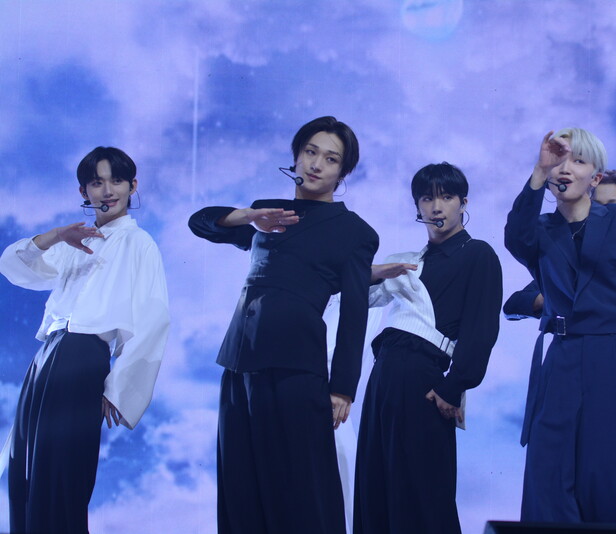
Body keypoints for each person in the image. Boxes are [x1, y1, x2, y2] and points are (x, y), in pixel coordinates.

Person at [188, 116, 378, 534]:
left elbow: (355, 313)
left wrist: (343, 387)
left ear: (343, 172)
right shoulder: (268, 214)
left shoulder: (355, 232)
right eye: (310, 152)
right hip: (239, 362)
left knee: (299, 490)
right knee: (241, 486)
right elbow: (200, 222)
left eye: (331, 159)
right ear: (296, 156)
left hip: (296, 368)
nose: (316, 164)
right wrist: (249, 217)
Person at [505, 129, 616, 524]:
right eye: (559, 162)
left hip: (614, 353)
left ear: (595, 178)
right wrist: (539, 170)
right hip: (563, 355)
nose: (565, 169)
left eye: (578, 162)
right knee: (551, 464)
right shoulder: (541, 229)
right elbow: (515, 237)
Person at [0, 146, 170, 534]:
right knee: (25, 464)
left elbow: (153, 318)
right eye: (97, 183)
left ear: (133, 186)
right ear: (83, 191)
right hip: (47, 356)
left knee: (61, 472)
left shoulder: (139, 243)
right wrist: (57, 235)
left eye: (116, 181)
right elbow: (12, 266)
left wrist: (120, 387)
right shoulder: (74, 240)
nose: (107, 191)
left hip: (82, 356)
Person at [354, 162, 502, 534]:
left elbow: (482, 330)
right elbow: (353, 294)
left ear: (463, 202)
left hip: (425, 379)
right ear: (417, 205)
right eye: (426, 198)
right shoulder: (408, 261)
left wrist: (454, 387)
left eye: (446, 197)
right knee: (376, 483)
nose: (436, 207)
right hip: (383, 376)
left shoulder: (478, 254)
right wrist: (374, 271)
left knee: (422, 490)